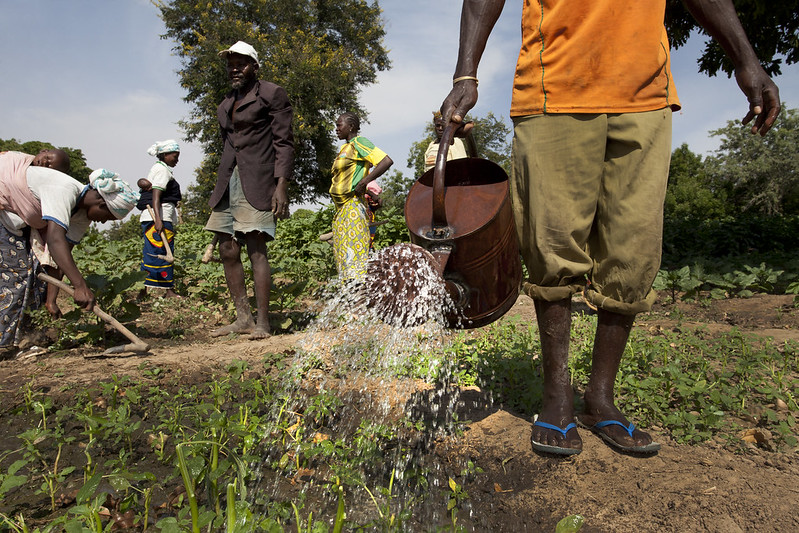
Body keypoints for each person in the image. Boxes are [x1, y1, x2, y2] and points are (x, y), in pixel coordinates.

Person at [440, 0, 780, 455]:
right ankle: (557, 397)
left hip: (645, 95)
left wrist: (747, 60)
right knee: (552, 244)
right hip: (553, 88)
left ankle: (600, 399)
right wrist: (466, 74)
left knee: (633, 250)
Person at [0, 155, 139, 349]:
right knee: (18, 275)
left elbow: (59, 256)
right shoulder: (63, 190)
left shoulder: (82, 216)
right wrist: (80, 286)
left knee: (37, 274)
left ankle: (27, 337)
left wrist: (51, 300)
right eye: (108, 217)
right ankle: (5, 344)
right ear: (100, 203)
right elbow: (54, 240)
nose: (104, 222)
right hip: (3, 208)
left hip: (13, 219)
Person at [205, 40, 294, 339]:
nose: (235, 68)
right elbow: (229, 145)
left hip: (258, 178)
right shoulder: (226, 103)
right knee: (227, 248)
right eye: (230, 64)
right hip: (229, 179)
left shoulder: (272, 94)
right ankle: (242, 317)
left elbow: (284, 143)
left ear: (254, 66)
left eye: (241, 63)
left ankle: (263, 323)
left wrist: (280, 185)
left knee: (256, 248)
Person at [330, 112, 393, 280]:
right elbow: (352, 179)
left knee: (354, 259)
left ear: (351, 127)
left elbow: (386, 161)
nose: (336, 129)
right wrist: (369, 191)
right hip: (341, 211)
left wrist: (365, 181)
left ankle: (360, 299)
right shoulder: (345, 148)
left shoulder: (359, 142)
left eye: (339, 125)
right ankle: (349, 301)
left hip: (352, 208)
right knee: (344, 260)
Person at [138, 140, 182, 298]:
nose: (177, 159)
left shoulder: (160, 169)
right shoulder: (162, 171)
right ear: (164, 155)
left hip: (157, 217)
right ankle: (166, 290)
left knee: (154, 251)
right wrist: (158, 219)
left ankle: (145, 290)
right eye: (175, 156)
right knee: (160, 251)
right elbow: (156, 195)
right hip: (158, 217)